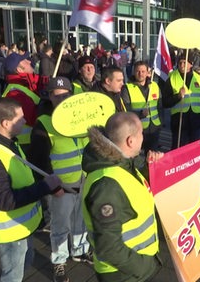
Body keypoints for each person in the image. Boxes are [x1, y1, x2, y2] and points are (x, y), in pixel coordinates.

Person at [0, 97, 63, 282]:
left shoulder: (9, 142)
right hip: (10, 232)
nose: (25, 121)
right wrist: (45, 187)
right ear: (6, 123)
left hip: (21, 227)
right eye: (20, 118)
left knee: (25, 262)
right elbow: (5, 200)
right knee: (12, 276)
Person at [81, 112, 163, 282]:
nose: (143, 137)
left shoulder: (123, 162)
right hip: (124, 274)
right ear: (130, 141)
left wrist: (152, 167)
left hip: (133, 267)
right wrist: (143, 267)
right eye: (141, 133)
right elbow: (109, 247)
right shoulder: (106, 186)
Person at [28, 77, 91, 282]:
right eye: (58, 95)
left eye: (66, 94)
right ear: (50, 96)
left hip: (83, 181)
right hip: (61, 187)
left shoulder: (80, 118)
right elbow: (38, 160)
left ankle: (80, 250)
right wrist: (52, 187)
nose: (63, 98)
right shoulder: (44, 123)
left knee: (81, 220)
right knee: (60, 226)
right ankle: (59, 261)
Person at [162, 54, 200, 149]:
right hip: (179, 122)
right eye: (180, 63)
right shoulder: (172, 78)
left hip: (195, 121)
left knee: (194, 150)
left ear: (190, 64)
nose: (182, 65)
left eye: (184, 62)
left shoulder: (198, 77)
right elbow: (165, 102)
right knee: (179, 150)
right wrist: (178, 97)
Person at [2, 52, 42, 153]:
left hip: (30, 141)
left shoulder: (22, 86)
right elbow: (34, 118)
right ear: (19, 70)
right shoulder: (16, 93)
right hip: (27, 144)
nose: (29, 61)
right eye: (24, 60)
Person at [122, 61, 163, 153]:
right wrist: (140, 114)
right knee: (135, 158)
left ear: (148, 72)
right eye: (138, 71)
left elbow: (160, 107)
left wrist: (161, 122)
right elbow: (126, 111)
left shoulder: (154, 86)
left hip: (154, 128)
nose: (140, 74)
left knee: (152, 158)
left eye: (143, 71)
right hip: (137, 129)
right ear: (133, 72)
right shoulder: (127, 88)